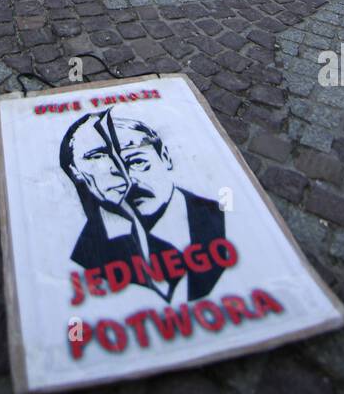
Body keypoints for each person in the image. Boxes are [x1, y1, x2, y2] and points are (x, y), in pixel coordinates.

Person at [59, 110, 227, 304]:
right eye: (106, 169)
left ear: (165, 157)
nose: (128, 181)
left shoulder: (222, 217)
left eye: (136, 162)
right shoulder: (85, 253)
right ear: (79, 175)